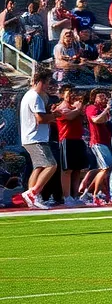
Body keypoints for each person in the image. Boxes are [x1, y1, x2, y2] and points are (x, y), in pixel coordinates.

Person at [18, 70, 59, 209]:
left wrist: (50, 113)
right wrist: (55, 115)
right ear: (40, 81)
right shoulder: (34, 96)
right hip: (36, 138)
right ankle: (33, 193)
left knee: (39, 167)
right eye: (47, 82)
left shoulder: (30, 96)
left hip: (32, 138)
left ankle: (33, 199)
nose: (48, 86)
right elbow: (40, 119)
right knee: (51, 165)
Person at [53, 84, 88, 207]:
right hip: (66, 139)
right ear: (62, 95)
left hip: (77, 139)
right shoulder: (60, 108)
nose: (72, 96)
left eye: (73, 93)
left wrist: (79, 109)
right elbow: (69, 116)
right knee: (67, 170)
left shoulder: (75, 107)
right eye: (69, 94)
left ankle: (75, 195)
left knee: (77, 170)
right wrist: (78, 109)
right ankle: (66, 196)